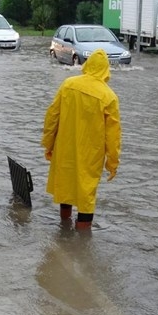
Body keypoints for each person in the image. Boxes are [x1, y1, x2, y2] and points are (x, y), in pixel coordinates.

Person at [41, 49, 121, 230]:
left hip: (65, 147)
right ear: (106, 70)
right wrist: (112, 163)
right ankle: (82, 242)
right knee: (86, 194)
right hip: (91, 154)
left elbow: (52, 116)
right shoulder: (109, 97)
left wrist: (48, 143)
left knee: (66, 186)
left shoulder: (68, 85)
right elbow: (113, 136)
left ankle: (64, 228)